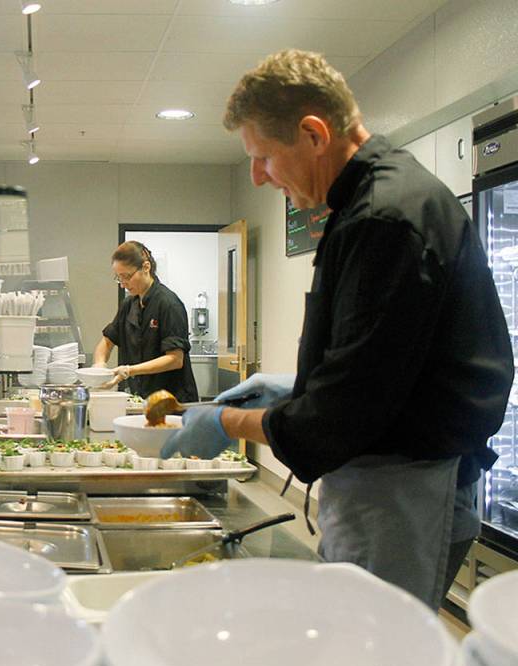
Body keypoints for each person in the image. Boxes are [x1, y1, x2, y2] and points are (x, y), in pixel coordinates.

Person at [163, 48, 513, 610]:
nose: (257, 174)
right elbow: (385, 357)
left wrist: (228, 422)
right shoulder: (381, 201)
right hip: (404, 477)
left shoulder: (384, 218)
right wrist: (297, 384)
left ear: (313, 133)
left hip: (400, 487)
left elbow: (346, 411)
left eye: (262, 156)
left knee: (372, 654)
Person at [93, 241, 198, 402]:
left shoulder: (168, 304)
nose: (123, 284)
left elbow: (175, 359)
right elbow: (107, 342)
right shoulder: (129, 305)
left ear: (146, 267)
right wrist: (99, 366)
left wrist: (129, 370)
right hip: (142, 398)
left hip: (171, 401)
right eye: (118, 277)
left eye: (127, 276)